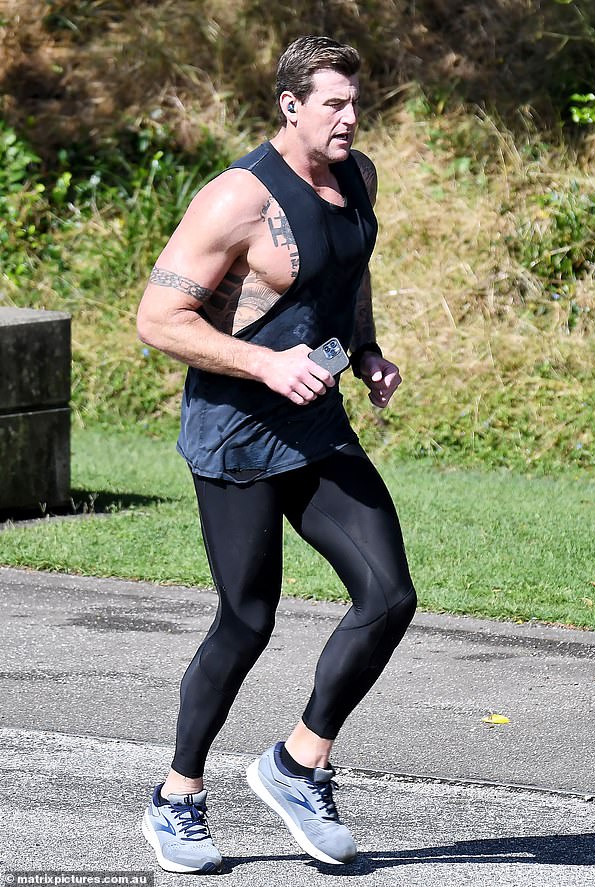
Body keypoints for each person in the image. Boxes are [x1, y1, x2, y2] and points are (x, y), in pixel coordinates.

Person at [136, 34, 417, 874]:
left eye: (356, 101)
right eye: (334, 103)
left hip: (316, 423)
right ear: (291, 105)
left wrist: (364, 349)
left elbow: (348, 267)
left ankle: (298, 763)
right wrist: (265, 361)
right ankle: (176, 798)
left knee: (389, 594)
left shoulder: (358, 176)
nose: (351, 117)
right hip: (235, 434)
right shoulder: (237, 199)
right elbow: (157, 321)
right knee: (248, 620)